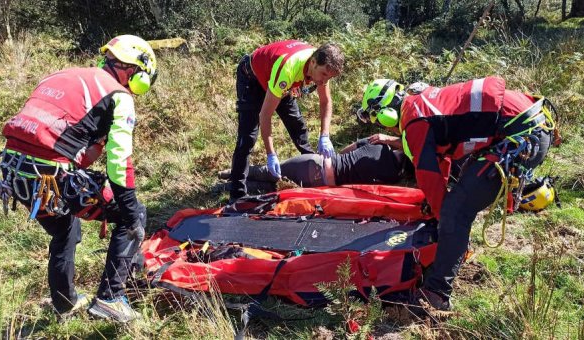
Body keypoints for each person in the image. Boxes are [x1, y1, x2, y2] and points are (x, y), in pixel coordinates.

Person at [0, 35, 158, 322]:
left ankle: (65, 302)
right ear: (136, 71)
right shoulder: (119, 96)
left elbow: (63, 143)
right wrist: (128, 206)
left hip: (12, 169)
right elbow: (120, 163)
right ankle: (111, 298)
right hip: (49, 176)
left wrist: (96, 145)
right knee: (133, 216)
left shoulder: (63, 74)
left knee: (65, 228)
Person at [358, 77, 556, 313]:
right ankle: (454, 247)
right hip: (530, 121)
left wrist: (444, 218)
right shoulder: (419, 103)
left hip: (521, 137)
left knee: (455, 211)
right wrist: (434, 207)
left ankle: (435, 294)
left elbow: (427, 174)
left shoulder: (414, 123)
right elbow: (441, 160)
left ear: (386, 114)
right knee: (459, 195)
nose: (386, 128)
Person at [229, 40, 345, 202]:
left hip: (281, 81)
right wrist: (271, 154)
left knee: (297, 124)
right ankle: (237, 194)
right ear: (313, 62)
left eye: (329, 77)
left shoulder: (322, 63)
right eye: (324, 75)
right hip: (252, 78)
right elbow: (265, 115)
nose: (325, 81)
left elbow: (325, 101)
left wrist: (324, 136)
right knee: (248, 137)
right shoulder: (289, 69)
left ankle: (313, 167)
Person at [220, 134, 412, 188]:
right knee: (270, 186)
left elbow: (347, 149)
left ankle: (229, 176)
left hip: (316, 164)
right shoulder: (392, 176)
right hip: (321, 184)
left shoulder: (377, 142)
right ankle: (223, 184)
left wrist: (337, 159)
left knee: (267, 173)